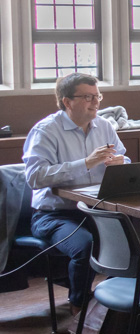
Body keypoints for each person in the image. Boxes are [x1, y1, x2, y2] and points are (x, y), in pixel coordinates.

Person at [23, 73, 129, 309]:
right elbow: (35, 177)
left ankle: (114, 309)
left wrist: (122, 162)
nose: (96, 102)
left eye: (97, 95)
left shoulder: (104, 126)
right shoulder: (46, 131)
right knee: (85, 245)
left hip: (97, 209)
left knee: (130, 242)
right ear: (66, 101)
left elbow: (124, 157)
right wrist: (86, 163)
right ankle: (79, 306)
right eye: (87, 97)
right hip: (54, 215)